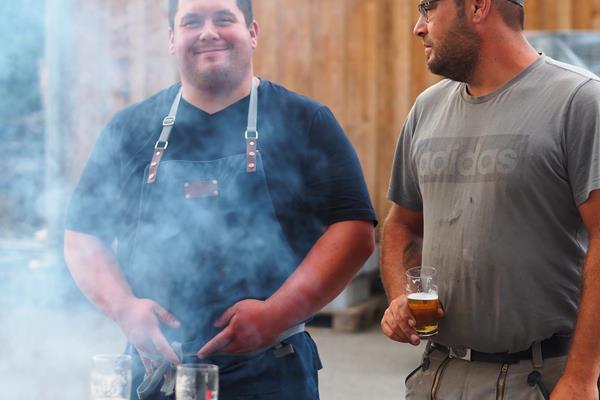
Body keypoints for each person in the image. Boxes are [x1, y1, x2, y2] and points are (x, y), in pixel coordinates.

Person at [64, 0, 377, 399]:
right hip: (155, 372)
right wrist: (125, 308)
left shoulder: (306, 122)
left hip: (271, 371)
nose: (208, 32)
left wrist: (275, 314)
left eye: (223, 19)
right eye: (192, 21)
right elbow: (82, 236)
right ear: (172, 40)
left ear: (253, 32)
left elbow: (353, 231)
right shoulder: (129, 129)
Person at [380, 0, 600, 398]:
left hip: (540, 378)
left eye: (428, 8)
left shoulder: (580, 100)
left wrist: (582, 378)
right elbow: (402, 223)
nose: (418, 27)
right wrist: (401, 298)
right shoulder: (426, 109)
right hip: (437, 374)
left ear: (479, 6)